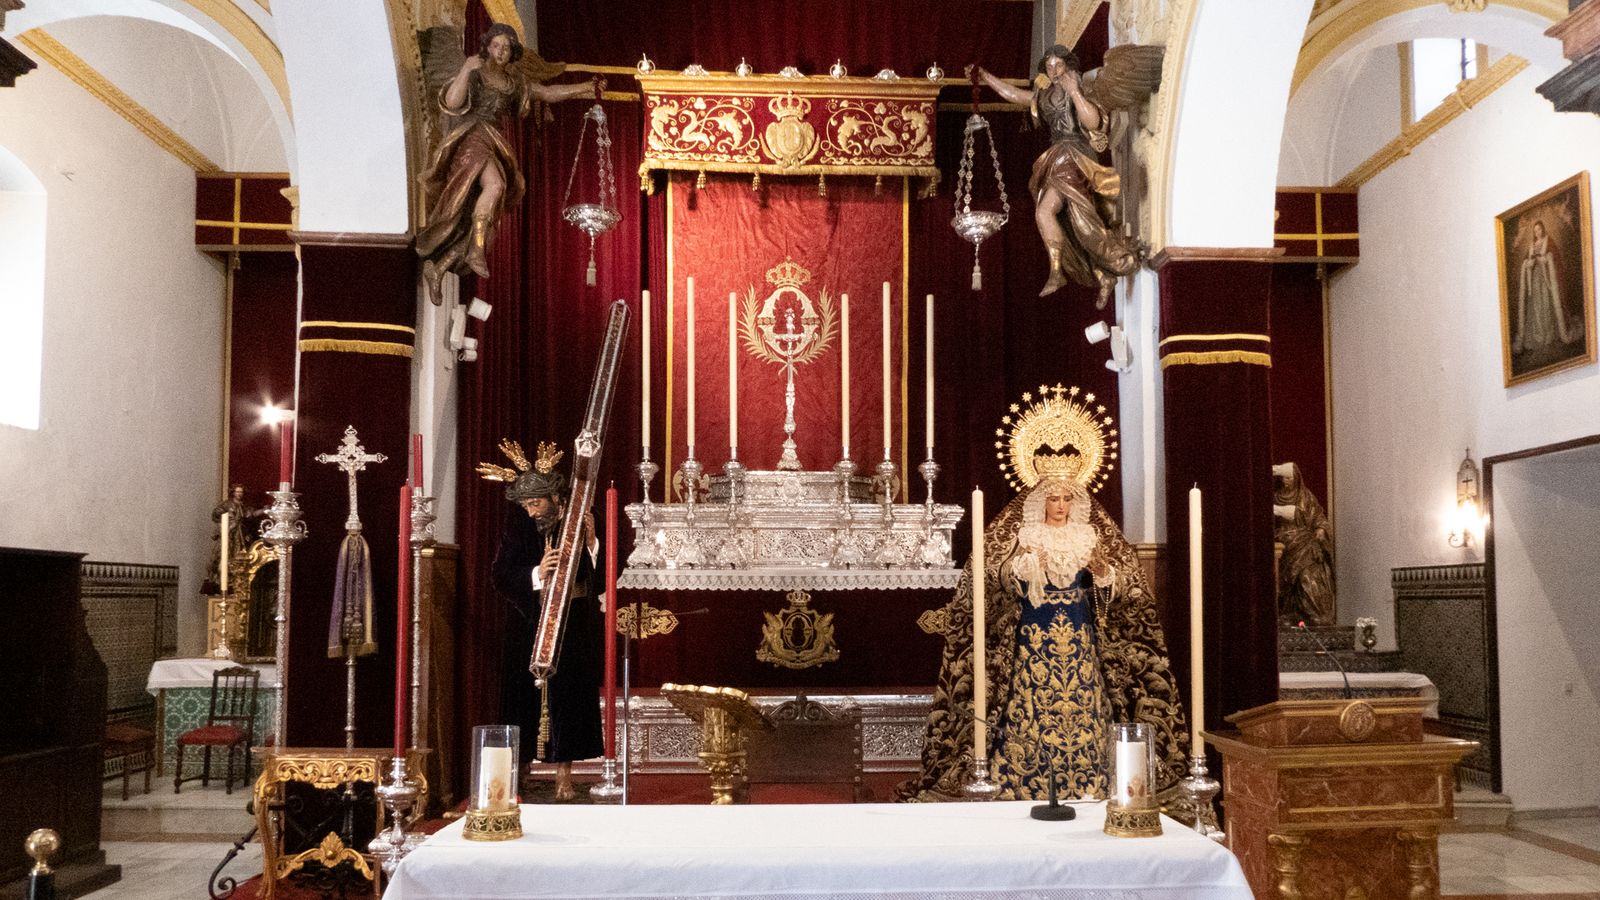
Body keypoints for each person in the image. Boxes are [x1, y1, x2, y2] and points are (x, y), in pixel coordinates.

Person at [898, 460, 1187, 802]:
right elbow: (995, 576)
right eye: (1054, 499)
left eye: (1066, 498)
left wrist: (1102, 574)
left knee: (1089, 702)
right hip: (1035, 636)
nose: (1061, 505)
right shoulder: (1027, 536)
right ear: (1042, 502)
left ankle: (1091, 781)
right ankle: (1021, 780)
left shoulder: (1087, 536)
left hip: (1080, 637)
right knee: (1027, 704)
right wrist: (1026, 566)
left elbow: (1121, 588)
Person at [416, 23, 596, 303]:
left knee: (471, 219)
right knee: (497, 185)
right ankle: (476, 252)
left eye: (506, 48)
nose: (500, 52)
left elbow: (547, 93)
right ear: (487, 46)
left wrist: (585, 87)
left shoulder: (514, 84)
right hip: (471, 136)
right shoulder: (475, 72)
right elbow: (452, 102)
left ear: (512, 53)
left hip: (493, 143)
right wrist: (465, 70)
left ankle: (438, 268)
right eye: (496, 45)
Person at [971, 46, 1146, 307]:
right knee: (1065, 219)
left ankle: (1092, 266)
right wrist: (986, 77)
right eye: (1049, 67)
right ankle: (1095, 271)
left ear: (1068, 65)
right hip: (1057, 158)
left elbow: (1093, 123)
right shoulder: (1045, 97)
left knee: (1063, 214)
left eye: (1058, 65)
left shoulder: (1083, 88)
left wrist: (1075, 91)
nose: (1054, 71)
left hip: (1076, 156)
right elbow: (1015, 95)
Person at [483, 440, 603, 800]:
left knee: (570, 699)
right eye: (525, 505)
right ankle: (519, 772)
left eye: (536, 503)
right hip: (529, 622)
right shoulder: (519, 527)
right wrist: (537, 572)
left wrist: (592, 544)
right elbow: (500, 573)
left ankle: (565, 775)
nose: (531, 511)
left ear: (554, 497)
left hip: (573, 623)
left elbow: (605, 573)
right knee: (522, 699)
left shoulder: (580, 517)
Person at [1272, 462, 1335, 626]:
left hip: (1305, 541)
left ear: (1296, 479)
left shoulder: (1305, 497)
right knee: (1287, 582)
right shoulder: (1276, 497)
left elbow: (1319, 518)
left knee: (1308, 575)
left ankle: (1315, 613)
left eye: (1289, 478)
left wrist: (1321, 530)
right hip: (1284, 542)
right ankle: (1290, 612)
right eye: (1284, 478)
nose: (1286, 481)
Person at [1511, 220, 1574, 355]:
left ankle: (1549, 335)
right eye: (1535, 231)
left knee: (1546, 303)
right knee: (1536, 305)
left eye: (1539, 229)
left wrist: (1547, 258)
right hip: (1535, 278)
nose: (1537, 232)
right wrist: (1529, 262)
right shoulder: (1532, 245)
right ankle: (1538, 337)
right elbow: (1526, 261)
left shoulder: (1548, 241)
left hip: (1546, 278)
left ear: (1543, 229)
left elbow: (1555, 257)